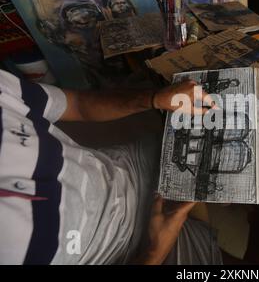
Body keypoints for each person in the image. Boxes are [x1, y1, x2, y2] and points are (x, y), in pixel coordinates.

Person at [0, 69, 222, 265]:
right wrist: (155, 252)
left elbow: (77, 105)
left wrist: (154, 99)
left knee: (219, 132)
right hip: (124, 250)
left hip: (119, 169)